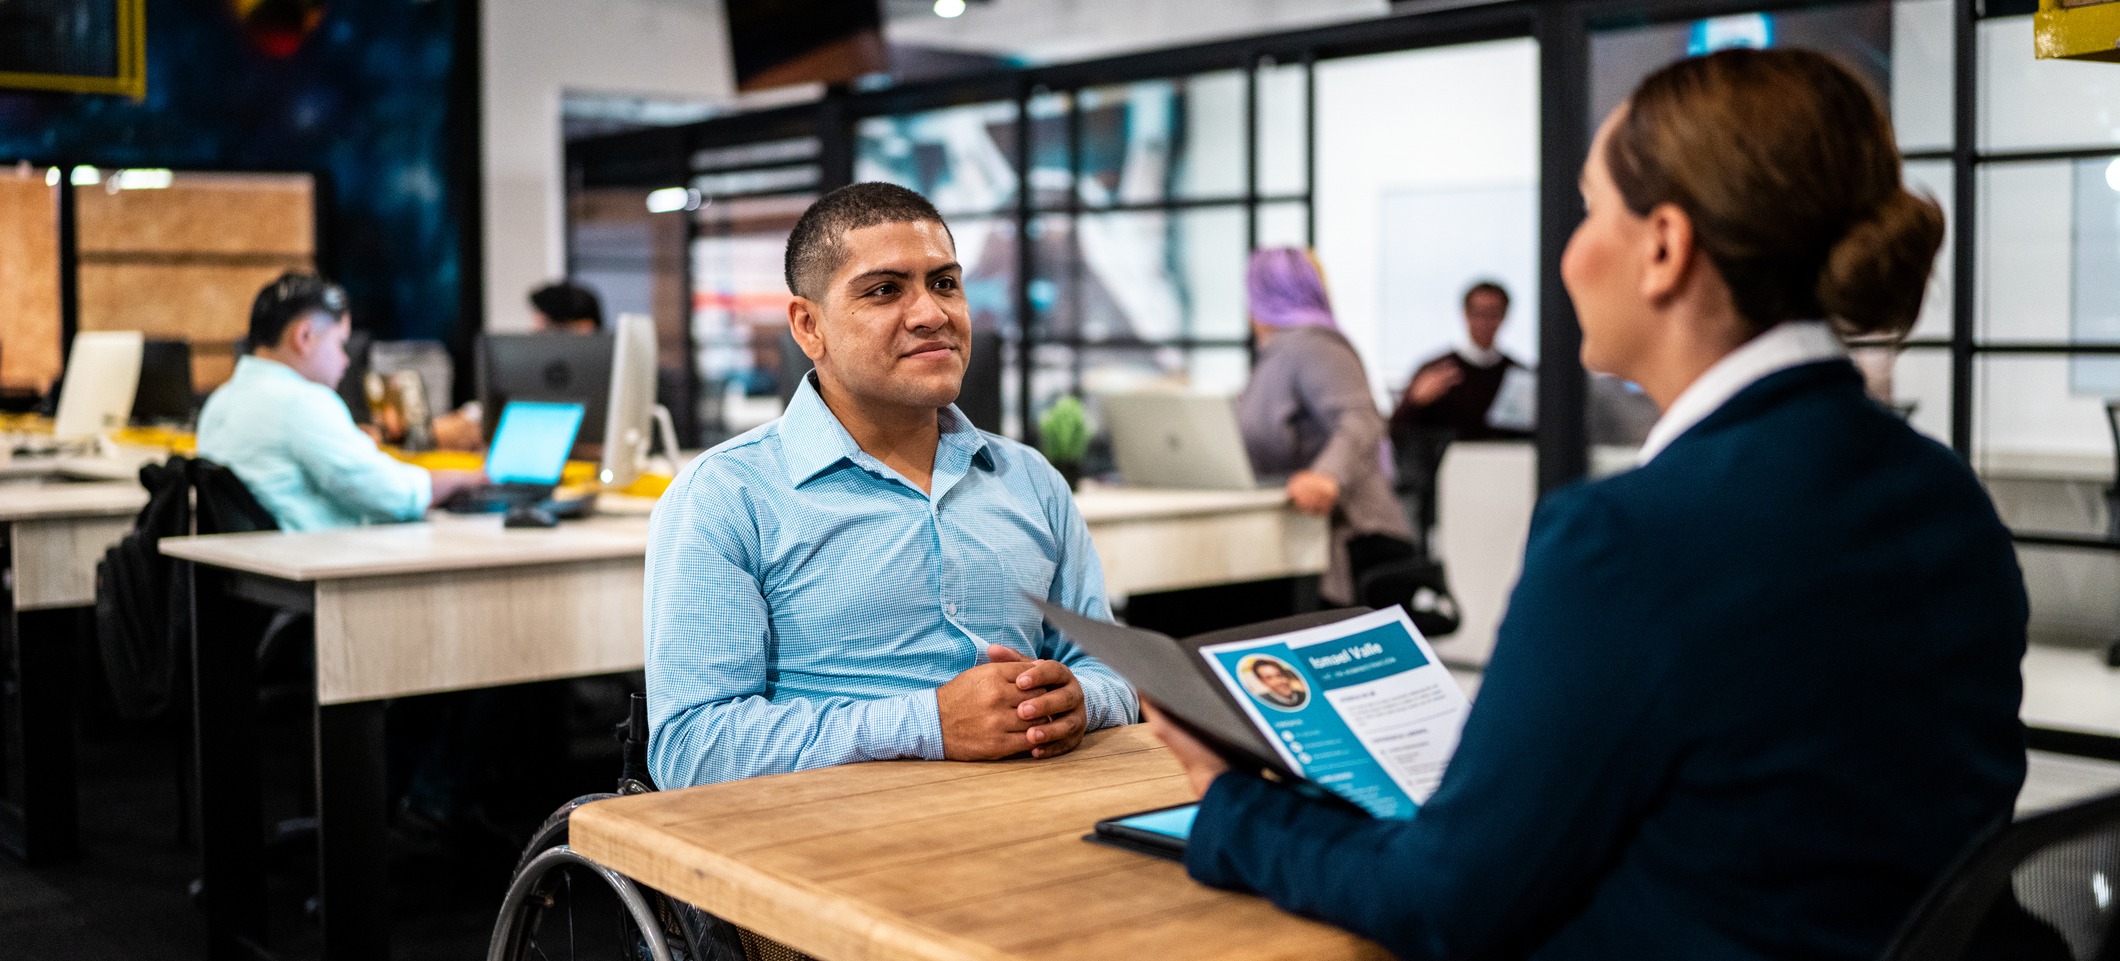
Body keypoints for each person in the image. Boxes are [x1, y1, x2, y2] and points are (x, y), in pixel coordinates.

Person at [1147, 48, 2027, 961]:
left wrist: (1231, 802)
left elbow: (1440, 899)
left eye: (1588, 207)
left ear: (1664, 247)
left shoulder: (1628, 541)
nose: (1568, 253)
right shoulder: (1947, 497)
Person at [645, 183, 1137, 788]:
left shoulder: (1031, 480)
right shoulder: (727, 494)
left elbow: (1111, 670)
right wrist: (928, 724)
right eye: (884, 290)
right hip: (828, 847)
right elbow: (693, 749)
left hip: (1033, 822)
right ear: (808, 326)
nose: (932, 314)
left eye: (945, 283)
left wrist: (1080, 700)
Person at [197, 272, 484, 531]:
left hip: (254, 579)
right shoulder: (303, 402)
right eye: (340, 343)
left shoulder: (219, 402)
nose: (345, 360)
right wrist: (464, 479)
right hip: (316, 576)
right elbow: (391, 495)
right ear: (304, 336)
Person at [1234, 247, 1415, 607]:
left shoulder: (1315, 346)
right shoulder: (1276, 356)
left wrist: (1327, 477)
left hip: (1356, 541)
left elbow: (1361, 418)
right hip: (1300, 541)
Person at [431, 281, 605, 450]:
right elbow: (472, 419)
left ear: (585, 328)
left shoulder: (614, 379)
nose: (538, 340)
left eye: (549, 329)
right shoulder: (527, 372)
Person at [1389, 280, 1531, 442]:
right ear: (1465, 314)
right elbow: (1396, 432)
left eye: (1493, 313)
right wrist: (1415, 401)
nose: (1484, 321)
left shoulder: (1517, 374)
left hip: (1506, 463)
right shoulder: (1436, 370)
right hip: (1447, 464)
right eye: (1478, 312)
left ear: (1504, 316)